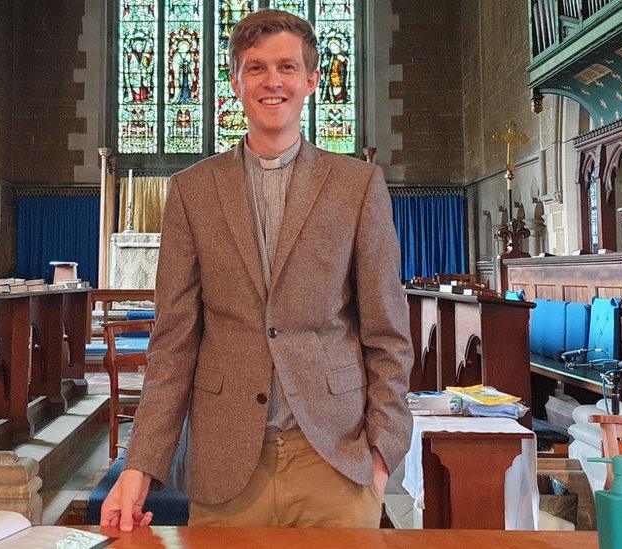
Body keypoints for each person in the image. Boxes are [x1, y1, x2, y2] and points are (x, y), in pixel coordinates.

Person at [100, 9, 412, 530]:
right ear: (236, 82)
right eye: (256, 68)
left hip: (333, 458)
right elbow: (174, 339)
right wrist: (141, 465)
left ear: (312, 80)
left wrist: (382, 454)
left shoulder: (357, 185)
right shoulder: (193, 190)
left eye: (287, 67)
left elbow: (387, 331)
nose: (273, 82)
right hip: (225, 461)